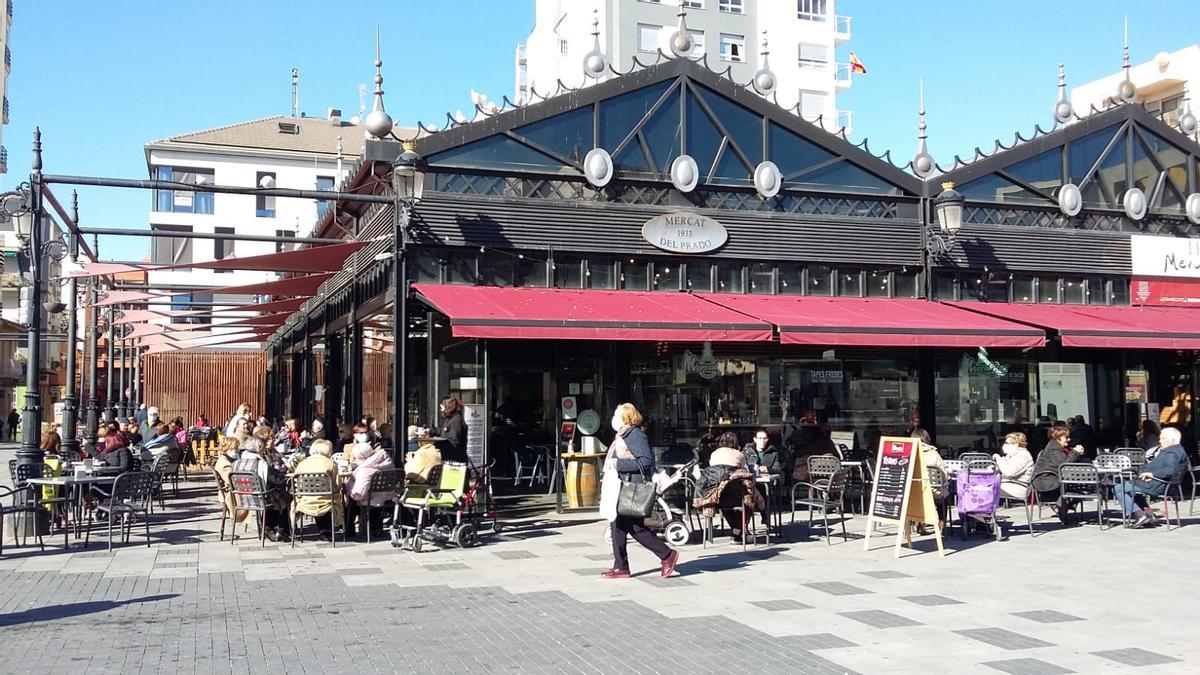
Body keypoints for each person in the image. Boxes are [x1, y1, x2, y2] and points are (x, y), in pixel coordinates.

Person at [603, 403, 679, 580]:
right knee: (618, 526)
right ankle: (620, 566)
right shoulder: (623, 434)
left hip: (633, 487)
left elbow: (645, 461)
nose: (613, 418)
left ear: (626, 417)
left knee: (634, 527)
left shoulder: (635, 435)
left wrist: (619, 464)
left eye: (617, 415)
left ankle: (667, 554)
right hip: (622, 485)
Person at [1113, 426, 1189, 528]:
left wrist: (1152, 474)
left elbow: (1169, 470)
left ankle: (1139, 515)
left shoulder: (1172, 453)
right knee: (1133, 491)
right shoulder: (1173, 450)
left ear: (1173, 440)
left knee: (1118, 488)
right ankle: (1149, 514)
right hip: (1156, 482)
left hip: (1158, 484)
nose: (1160, 441)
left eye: (1163, 439)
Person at [233, 436, 292, 541]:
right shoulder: (260, 464)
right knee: (286, 494)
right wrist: (284, 473)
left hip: (243, 498)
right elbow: (278, 479)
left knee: (272, 493)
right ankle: (282, 530)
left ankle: (268, 527)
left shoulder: (236, 463)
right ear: (260, 448)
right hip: (261, 497)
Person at [291, 439, 343, 540]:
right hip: (326, 500)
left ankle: (323, 530)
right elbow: (336, 484)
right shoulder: (331, 463)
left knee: (318, 496)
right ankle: (328, 530)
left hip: (305, 500)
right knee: (332, 496)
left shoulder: (302, 464)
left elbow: (296, 482)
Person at [344, 441, 395, 539]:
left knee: (351, 503)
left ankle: (349, 533)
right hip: (388, 496)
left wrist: (348, 485)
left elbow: (358, 494)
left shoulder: (365, 469)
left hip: (372, 498)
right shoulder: (386, 461)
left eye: (355, 457)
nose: (354, 460)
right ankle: (376, 529)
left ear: (362, 458)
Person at [213, 438, 248, 528]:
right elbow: (233, 481)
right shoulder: (224, 463)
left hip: (233, 489)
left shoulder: (226, 460)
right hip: (231, 493)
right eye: (235, 449)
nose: (238, 451)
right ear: (227, 449)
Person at [993, 432, 1035, 502]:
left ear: (1016, 444)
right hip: (1008, 485)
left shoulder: (1022, 456)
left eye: (1007, 443)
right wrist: (994, 467)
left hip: (1016, 488)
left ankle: (984, 510)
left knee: (986, 489)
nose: (1004, 445)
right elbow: (1004, 466)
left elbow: (1009, 472)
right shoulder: (1012, 455)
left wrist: (998, 458)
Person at [438, 396, 468, 463]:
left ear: (448, 407)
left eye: (442, 408)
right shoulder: (449, 419)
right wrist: (431, 431)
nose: (441, 410)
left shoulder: (456, 420)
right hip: (450, 459)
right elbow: (444, 431)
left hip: (455, 462)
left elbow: (455, 443)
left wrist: (437, 444)